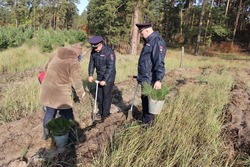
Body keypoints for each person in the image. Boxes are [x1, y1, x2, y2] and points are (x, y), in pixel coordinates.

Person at [40, 43, 86, 140]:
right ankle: (71, 134)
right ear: (77, 54)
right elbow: (76, 80)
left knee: (50, 112)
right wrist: (80, 92)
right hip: (60, 92)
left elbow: (45, 68)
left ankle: (46, 134)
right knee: (68, 112)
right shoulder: (74, 62)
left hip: (47, 88)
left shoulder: (56, 54)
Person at [136, 23, 166, 126]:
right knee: (145, 102)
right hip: (145, 78)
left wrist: (158, 80)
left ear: (147, 31)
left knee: (149, 104)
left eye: (141, 32)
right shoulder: (149, 42)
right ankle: (146, 122)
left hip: (150, 79)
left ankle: (147, 126)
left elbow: (159, 63)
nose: (141, 35)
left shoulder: (157, 42)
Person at [87, 36, 116, 121]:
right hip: (99, 76)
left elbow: (110, 68)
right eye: (94, 48)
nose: (95, 49)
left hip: (108, 77)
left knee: (106, 95)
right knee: (99, 95)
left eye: (96, 47)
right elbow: (91, 63)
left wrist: (105, 80)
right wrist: (90, 74)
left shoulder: (109, 52)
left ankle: (105, 114)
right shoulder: (94, 52)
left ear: (100, 44)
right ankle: (101, 109)